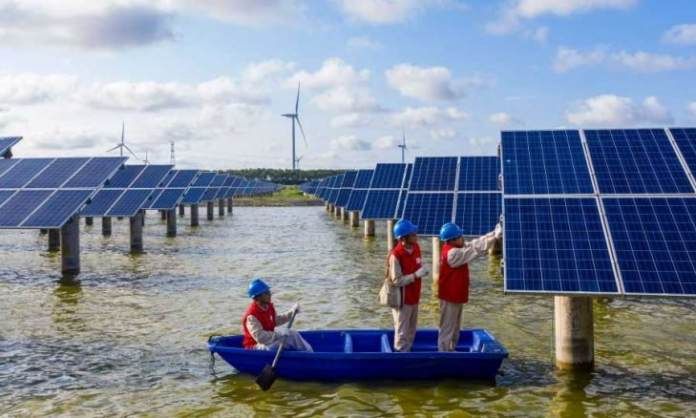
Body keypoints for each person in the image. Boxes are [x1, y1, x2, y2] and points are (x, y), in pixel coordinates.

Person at [437, 222, 502, 352]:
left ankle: (451, 350)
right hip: (450, 297)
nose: (463, 238)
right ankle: (443, 353)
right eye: (460, 236)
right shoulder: (453, 254)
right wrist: (494, 238)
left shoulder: (456, 247)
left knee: (455, 327)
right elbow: (474, 251)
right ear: (453, 240)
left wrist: (493, 233)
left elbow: (474, 244)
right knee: (448, 328)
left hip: (456, 296)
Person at [386, 219, 430, 352]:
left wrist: (422, 270)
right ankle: (400, 355)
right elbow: (396, 280)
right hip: (402, 300)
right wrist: (415, 275)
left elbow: (416, 264)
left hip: (414, 297)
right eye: (413, 234)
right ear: (403, 238)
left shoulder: (416, 248)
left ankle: (408, 352)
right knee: (402, 333)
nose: (416, 236)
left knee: (411, 330)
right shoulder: (396, 255)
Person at [241, 278, 313, 351]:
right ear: (258, 297)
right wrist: (279, 334)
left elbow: (275, 320)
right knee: (289, 338)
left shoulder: (268, 307)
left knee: (292, 334)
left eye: (269, 292)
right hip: (256, 347)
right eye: (266, 293)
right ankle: (309, 354)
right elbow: (260, 337)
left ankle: (309, 352)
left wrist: (292, 312)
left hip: (268, 342)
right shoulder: (251, 316)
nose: (270, 295)